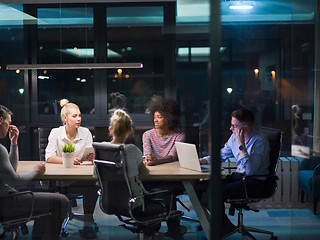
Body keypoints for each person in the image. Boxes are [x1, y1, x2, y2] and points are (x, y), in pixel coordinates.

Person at [108, 109, 184, 240]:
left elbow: (96, 176)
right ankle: (172, 231)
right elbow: (145, 172)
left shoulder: (102, 149)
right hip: (136, 203)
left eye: (159, 117)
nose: (155, 120)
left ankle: (150, 229)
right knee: (167, 193)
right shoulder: (132, 150)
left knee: (151, 188)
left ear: (110, 129)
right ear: (130, 130)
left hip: (111, 201)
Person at [0, 104, 69, 240]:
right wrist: (35, 171)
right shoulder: (0, 149)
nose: (10, 126)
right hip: (6, 203)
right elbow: (15, 181)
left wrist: (14, 144)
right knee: (62, 202)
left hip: (5, 199)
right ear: (0, 120)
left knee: (49, 200)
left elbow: (10, 171)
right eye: (9, 122)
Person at [199, 108, 270, 237]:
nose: (231, 129)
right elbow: (222, 154)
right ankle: (222, 224)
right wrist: (203, 161)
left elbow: (249, 170)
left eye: (234, 126)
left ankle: (221, 226)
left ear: (245, 127)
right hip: (239, 177)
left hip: (254, 181)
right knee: (201, 187)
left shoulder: (260, 140)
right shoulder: (233, 137)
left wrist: (241, 145)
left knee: (215, 192)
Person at [45, 99, 99, 239]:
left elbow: (88, 155)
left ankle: (87, 225)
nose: (78, 119)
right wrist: (67, 160)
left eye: (80, 115)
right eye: (74, 116)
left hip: (80, 178)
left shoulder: (85, 132)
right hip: (60, 179)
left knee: (92, 186)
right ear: (65, 118)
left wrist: (92, 157)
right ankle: (53, 226)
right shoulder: (56, 133)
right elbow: (49, 157)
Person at [142, 97, 185, 166]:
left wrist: (157, 161)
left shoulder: (179, 136)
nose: (155, 120)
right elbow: (147, 154)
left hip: (172, 169)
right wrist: (149, 158)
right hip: (153, 169)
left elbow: (172, 156)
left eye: (159, 117)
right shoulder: (147, 135)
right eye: (154, 117)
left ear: (168, 118)